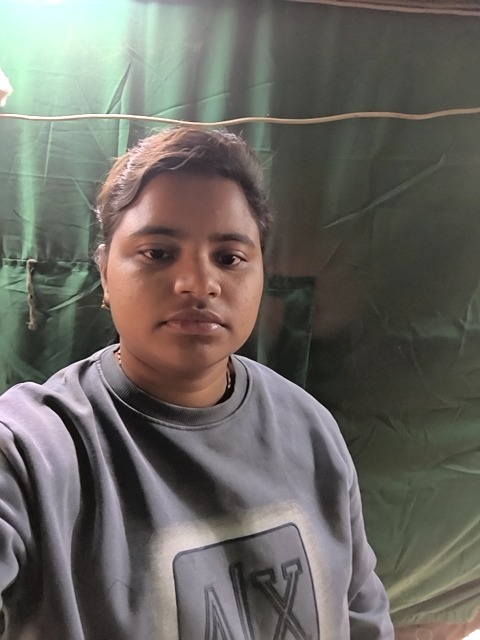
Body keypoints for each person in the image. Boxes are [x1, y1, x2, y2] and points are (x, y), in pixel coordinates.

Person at [0, 126, 394, 639]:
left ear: (261, 274)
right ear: (105, 272)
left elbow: (363, 616)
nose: (199, 284)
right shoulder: (32, 451)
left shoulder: (309, 427)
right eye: (158, 252)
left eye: (229, 258)